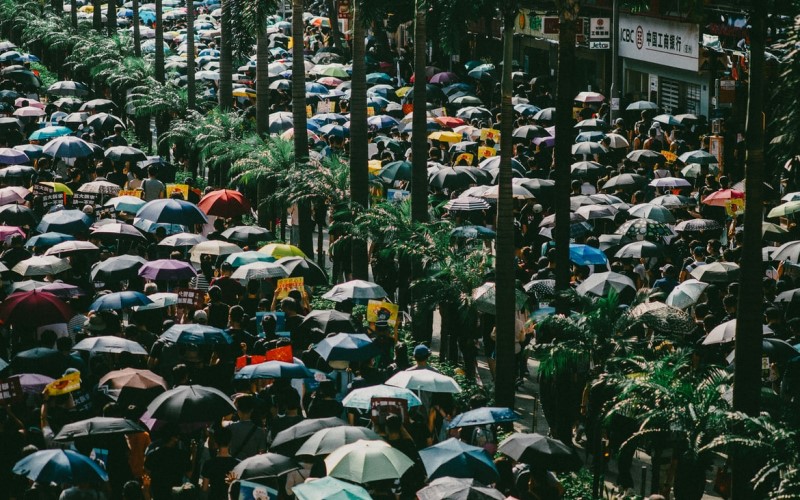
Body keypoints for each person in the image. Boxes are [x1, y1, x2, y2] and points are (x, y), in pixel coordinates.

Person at [143, 425, 194, 500]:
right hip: (175, 492)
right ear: (174, 438)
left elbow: (147, 471)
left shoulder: (153, 454)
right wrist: (194, 453)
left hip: (158, 492)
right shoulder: (181, 455)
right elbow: (189, 474)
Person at [227, 394, 267, 460]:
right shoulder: (259, 431)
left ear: (238, 410)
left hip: (234, 465)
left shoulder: (230, 428)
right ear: (252, 410)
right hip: (251, 465)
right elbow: (262, 453)